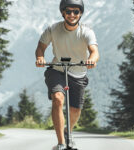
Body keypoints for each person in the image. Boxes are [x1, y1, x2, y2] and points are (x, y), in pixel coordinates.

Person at [35, 0, 99, 149]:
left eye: (76, 12)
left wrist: (91, 60)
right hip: (57, 70)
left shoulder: (86, 31)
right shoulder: (53, 29)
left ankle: (67, 132)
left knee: (76, 109)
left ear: (80, 13)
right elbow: (40, 47)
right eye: (68, 11)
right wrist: (40, 57)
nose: (72, 15)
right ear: (63, 12)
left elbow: (94, 51)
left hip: (79, 73)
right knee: (58, 98)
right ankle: (61, 143)